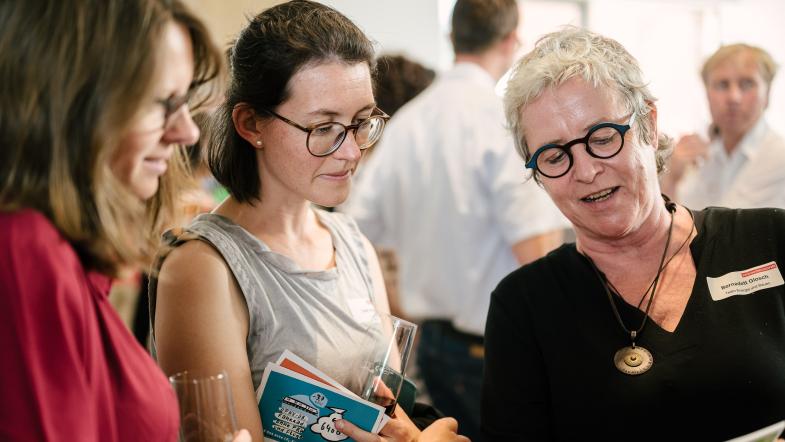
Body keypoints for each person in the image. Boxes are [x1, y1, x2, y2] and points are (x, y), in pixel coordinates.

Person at [149, 1, 469, 441]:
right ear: (250, 123)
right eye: (323, 128)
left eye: (360, 123)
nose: (352, 151)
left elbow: (392, 413)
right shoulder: (204, 268)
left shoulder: (350, 241)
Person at [482, 27, 785, 440]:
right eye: (555, 156)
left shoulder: (769, 240)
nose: (586, 172)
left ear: (648, 122)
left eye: (603, 138)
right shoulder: (525, 308)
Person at [0, 0, 251, 441]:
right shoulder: (25, 250)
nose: (188, 133)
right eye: (162, 104)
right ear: (74, 106)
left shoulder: (67, 251)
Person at [343, 1, 567, 439]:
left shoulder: (408, 123)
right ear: (510, 40)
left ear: (451, 38)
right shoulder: (502, 122)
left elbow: (352, 230)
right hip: (496, 343)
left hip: (434, 347)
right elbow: (536, 252)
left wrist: (398, 299)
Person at [661, 43, 785, 209]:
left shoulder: (779, 158)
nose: (733, 97)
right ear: (707, 94)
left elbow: (725, 227)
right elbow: (673, 224)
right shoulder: (696, 157)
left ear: (767, 94)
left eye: (747, 84)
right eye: (722, 85)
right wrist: (671, 178)